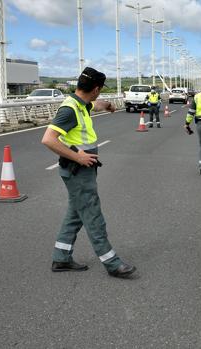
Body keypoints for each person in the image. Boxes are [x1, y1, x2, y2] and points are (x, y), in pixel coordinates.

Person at [41, 67, 136, 279]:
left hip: (82, 171)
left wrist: (107, 105)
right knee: (93, 215)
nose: (99, 95)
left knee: (75, 214)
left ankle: (61, 256)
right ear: (95, 88)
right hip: (77, 170)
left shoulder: (80, 103)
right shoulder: (69, 110)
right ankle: (112, 263)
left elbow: (94, 104)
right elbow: (48, 139)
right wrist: (78, 157)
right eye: (100, 91)